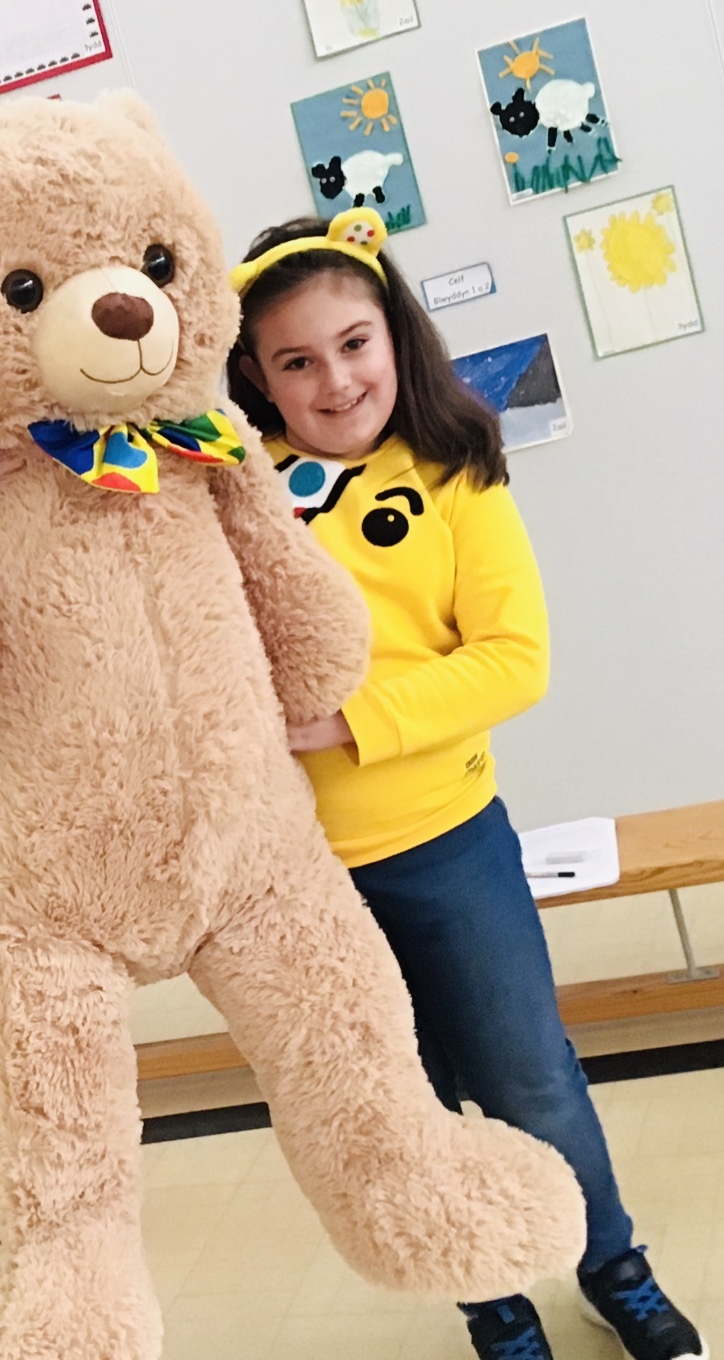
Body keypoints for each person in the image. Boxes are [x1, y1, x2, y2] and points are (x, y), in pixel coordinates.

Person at [227, 208, 707, 1360]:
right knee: (404, 1110)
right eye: (296, 361)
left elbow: (512, 660)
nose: (334, 379)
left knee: (530, 1080)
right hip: (299, 884)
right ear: (257, 377)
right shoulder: (235, 495)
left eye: (353, 342)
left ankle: (613, 1267)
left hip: (447, 843)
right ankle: (489, 1301)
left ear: (394, 331)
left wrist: (343, 723)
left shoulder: (455, 470)